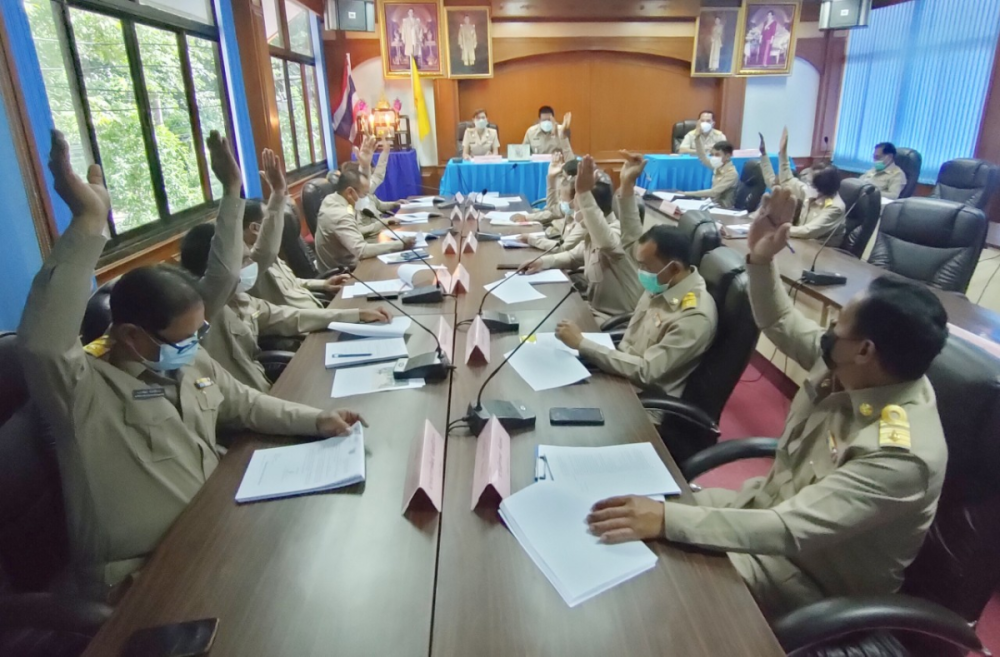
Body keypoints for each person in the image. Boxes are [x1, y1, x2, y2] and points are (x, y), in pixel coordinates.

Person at [18, 130, 370, 600]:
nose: (196, 344)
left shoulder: (185, 359)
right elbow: (42, 344)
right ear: (130, 336)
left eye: (200, 333)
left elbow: (244, 402)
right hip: (143, 577)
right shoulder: (82, 393)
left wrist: (317, 419)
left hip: (218, 527)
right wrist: (88, 224)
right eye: (186, 338)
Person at [585, 185, 949, 619]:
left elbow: (789, 529)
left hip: (807, 578)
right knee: (626, 516)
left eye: (838, 325)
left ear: (866, 350)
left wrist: (666, 521)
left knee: (661, 582)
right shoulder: (850, 363)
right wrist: (760, 259)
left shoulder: (900, 455)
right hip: (757, 509)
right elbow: (778, 319)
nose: (828, 329)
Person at [179, 152, 391, 392]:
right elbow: (251, 261)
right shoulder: (205, 311)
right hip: (257, 402)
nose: (249, 257)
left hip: (268, 393)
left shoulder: (243, 299)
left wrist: (356, 314)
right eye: (241, 256)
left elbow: (292, 316)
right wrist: (232, 189)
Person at [554, 225, 717, 397]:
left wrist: (582, 343)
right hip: (621, 373)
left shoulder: (693, 317)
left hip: (642, 399)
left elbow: (646, 372)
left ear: (674, 268)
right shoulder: (663, 283)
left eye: (645, 266)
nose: (641, 272)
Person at [521, 154, 644, 320]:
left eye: (576, 203)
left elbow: (606, 243)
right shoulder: (591, 233)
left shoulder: (616, 233)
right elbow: (573, 256)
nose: (572, 207)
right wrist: (543, 262)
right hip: (592, 310)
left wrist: (584, 194)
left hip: (614, 320)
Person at [244, 150, 348, 310]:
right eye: (268, 221)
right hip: (304, 326)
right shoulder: (249, 264)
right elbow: (264, 254)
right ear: (255, 228)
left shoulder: (273, 256)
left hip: (319, 308)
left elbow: (292, 282)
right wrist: (277, 192)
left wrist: (324, 284)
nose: (275, 224)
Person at [314, 167, 415, 271]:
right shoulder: (340, 215)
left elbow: (355, 231)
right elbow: (361, 251)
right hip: (344, 274)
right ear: (350, 192)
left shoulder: (331, 199)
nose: (366, 198)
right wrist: (401, 244)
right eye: (364, 194)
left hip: (350, 261)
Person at [760, 127, 845, 241]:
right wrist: (783, 153)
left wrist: (774, 228)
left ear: (821, 187)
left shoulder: (835, 207)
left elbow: (807, 231)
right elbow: (787, 180)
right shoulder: (812, 192)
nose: (807, 185)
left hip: (823, 253)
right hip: (801, 243)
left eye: (810, 183)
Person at [687, 138, 738, 208]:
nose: (714, 158)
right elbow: (703, 157)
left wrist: (686, 193)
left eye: (717, 155)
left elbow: (713, 192)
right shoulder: (718, 166)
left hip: (723, 207)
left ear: (728, 156)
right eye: (712, 155)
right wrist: (697, 138)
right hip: (711, 203)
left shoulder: (732, 173)